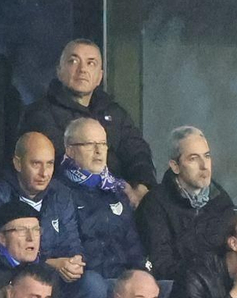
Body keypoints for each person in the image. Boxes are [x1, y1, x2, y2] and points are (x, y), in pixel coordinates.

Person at [19, 40, 155, 197]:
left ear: (99, 77)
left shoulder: (114, 112)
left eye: (91, 63)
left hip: (123, 200)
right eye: (73, 61)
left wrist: (141, 187)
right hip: (67, 199)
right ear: (59, 71)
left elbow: (138, 153)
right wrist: (119, 190)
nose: (82, 69)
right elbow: (63, 163)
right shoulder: (40, 114)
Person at [56, 118, 146, 293]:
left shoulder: (116, 189)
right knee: (95, 286)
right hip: (84, 284)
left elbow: (133, 245)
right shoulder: (58, 191)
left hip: (122, 280)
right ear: (70, 150)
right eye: (90, 144)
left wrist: (142, 274)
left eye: (103, 144)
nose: (98, 151)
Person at [134, 125, 236, 277]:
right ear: (175, 166)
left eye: (207, 156)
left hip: (217, 283)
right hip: (176, 285)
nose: (204, 166)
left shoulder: (221, 201)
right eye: (193, 158)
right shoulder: (154, 205)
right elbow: (161, 265)